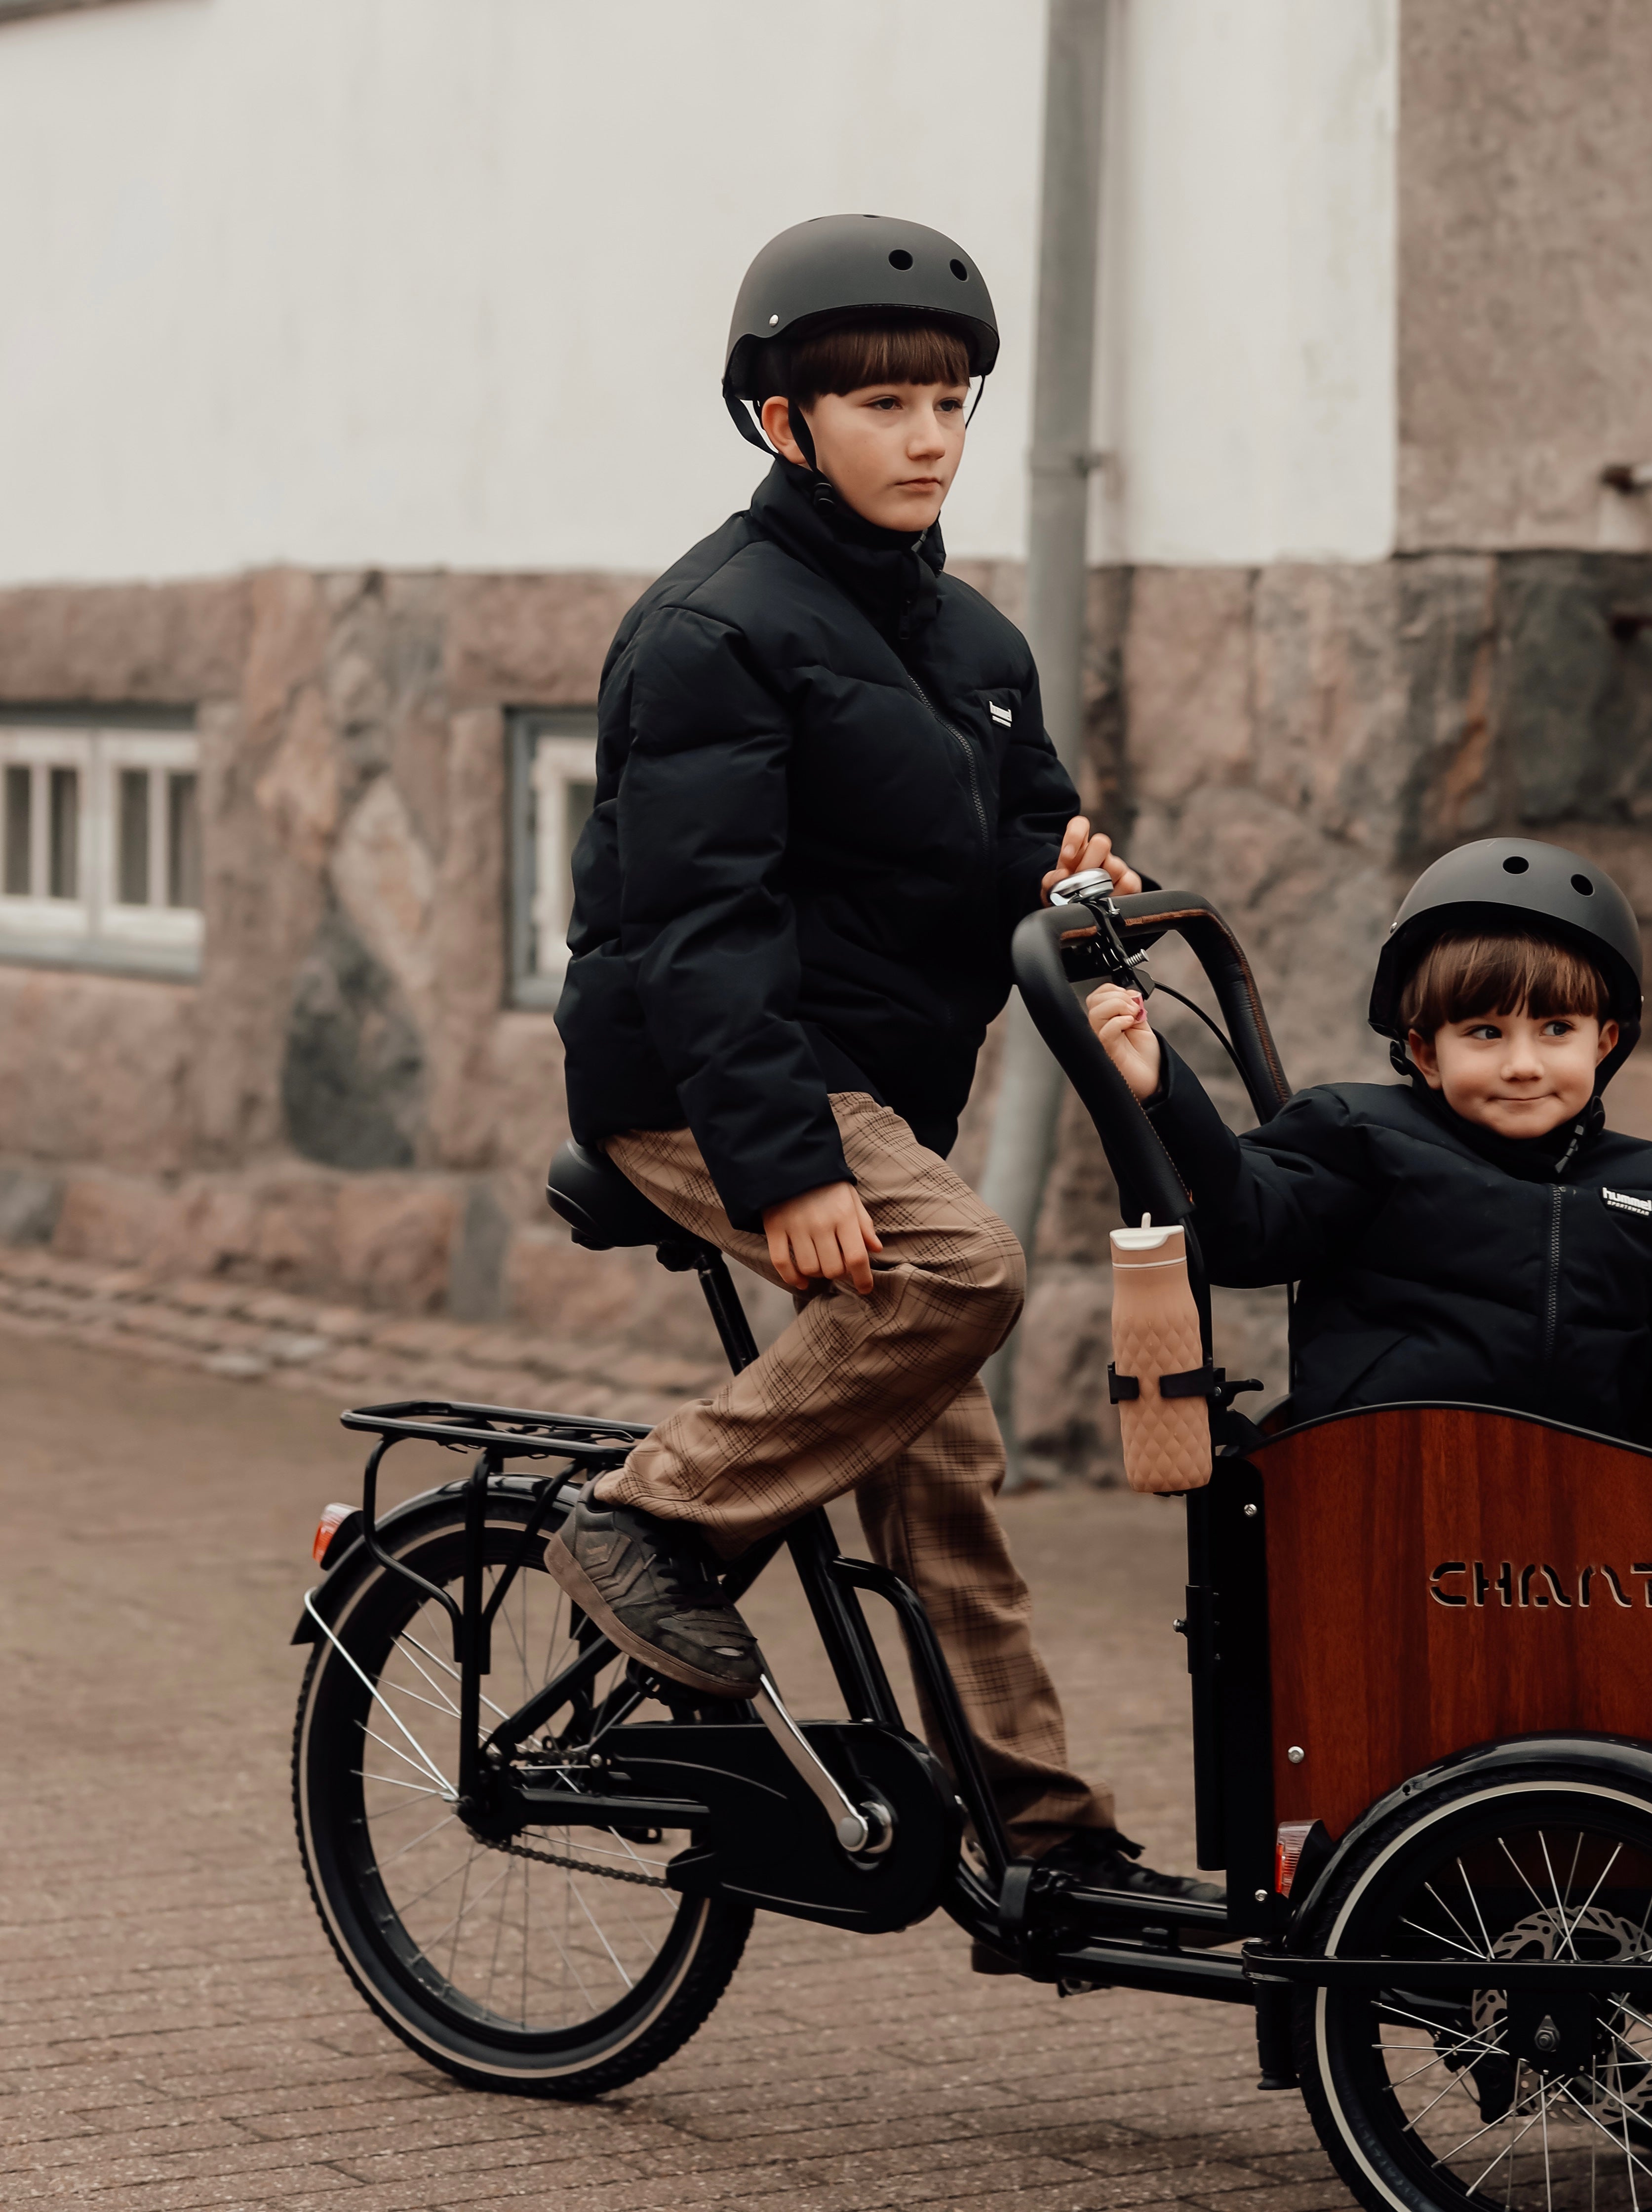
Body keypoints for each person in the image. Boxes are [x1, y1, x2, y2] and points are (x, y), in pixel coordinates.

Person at [548, 213, 1217, 1917]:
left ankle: (1041, 1837)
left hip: (862, 1083)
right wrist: (787, 1169)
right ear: (786, 423)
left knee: (945, 1463)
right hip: (700, 1080)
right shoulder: (711, 631)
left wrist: (1072, 885)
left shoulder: (975, 645)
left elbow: (1008, 850)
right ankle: (647, 1516)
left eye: (950, 404)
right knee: (959, 1272)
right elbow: (698, 928)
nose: (928, 439)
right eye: (884, 406)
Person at [1087, 838, 1652, 1511]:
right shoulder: (1361, 1136)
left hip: (1583, 1529)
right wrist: (1164, 1090)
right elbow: (1245, 1223)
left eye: (1556, 1030)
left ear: (1605, 1040)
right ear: (1425, 1050)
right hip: (1388, 1500)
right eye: (1485, 1032)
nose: (1523, 1064)